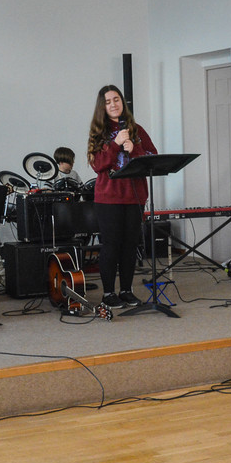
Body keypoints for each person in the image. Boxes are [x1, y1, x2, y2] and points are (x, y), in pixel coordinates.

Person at [87, 84, 158, 308]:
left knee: (130, 246)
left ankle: (126, 290)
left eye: (116, 99)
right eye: (108, 102)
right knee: (111, 245)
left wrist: (133, 148)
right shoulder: (98, 132)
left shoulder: (137, 130)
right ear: (102, 106)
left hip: (135, 196)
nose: (113, 104)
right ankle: (108, 293)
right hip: (109, 198)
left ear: (122, 102)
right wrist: (115, 144)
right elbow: (97, 164)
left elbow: (152, 156)